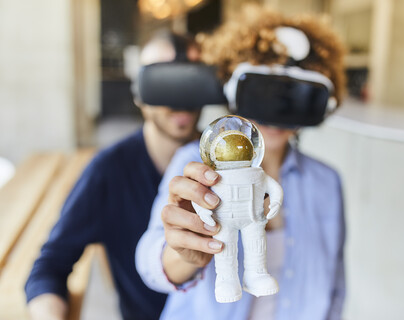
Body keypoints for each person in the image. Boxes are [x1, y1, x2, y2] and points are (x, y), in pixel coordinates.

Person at [136, 4, 346, 320]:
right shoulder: (194, 163)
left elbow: (334, 286)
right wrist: (185, 250)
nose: (276, 114)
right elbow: (151, 266)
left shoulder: (327, 182)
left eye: (293, 98)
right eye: (264, 92)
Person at [25, 31, 203, 320]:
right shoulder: (109, 171)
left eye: (190, 79)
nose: (179, 99)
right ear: (138, 93)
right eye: (163, 82)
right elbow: (49, 268)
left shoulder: (230, 161)